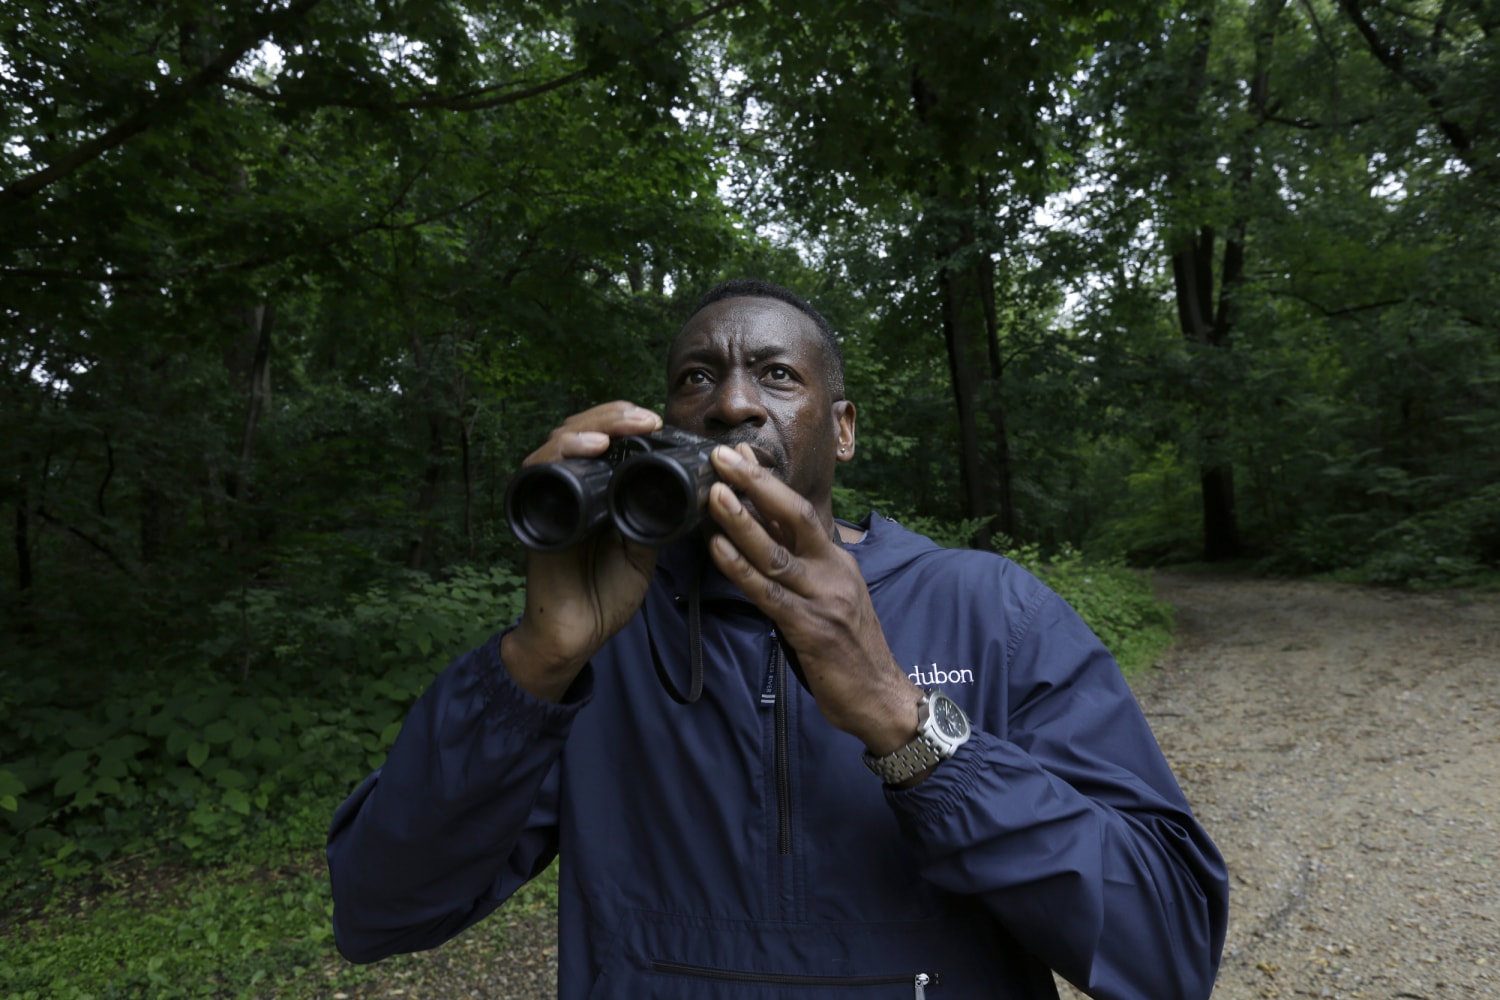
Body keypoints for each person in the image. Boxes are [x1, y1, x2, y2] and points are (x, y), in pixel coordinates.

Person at [326, 279, 1229, 999]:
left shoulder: (992, 609)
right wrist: (537, 662)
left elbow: (1168, 947)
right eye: (694, 378)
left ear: (841, 431)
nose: (731, 404)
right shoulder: (603, 644)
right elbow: (380, 911)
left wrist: (897, 715)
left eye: (778, 375)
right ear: (665, 428)